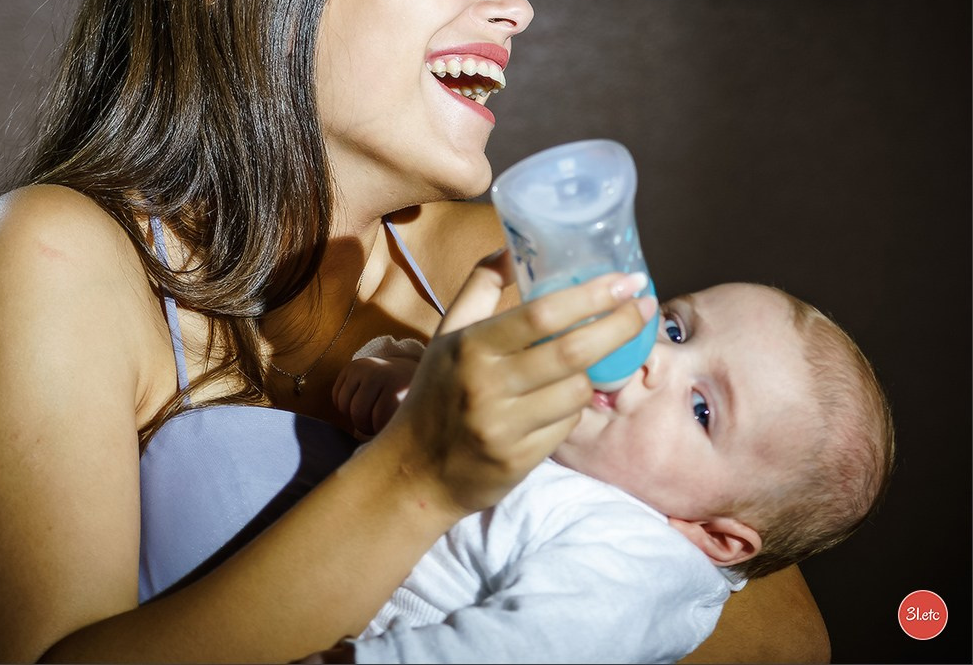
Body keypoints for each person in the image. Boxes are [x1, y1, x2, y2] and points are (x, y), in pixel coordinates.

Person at [0, 0, 828, 664]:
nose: (517, 6)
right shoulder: (58, 253)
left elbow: (777, 634)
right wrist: (422, 472)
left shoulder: (489, 253)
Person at [317, 282, 895, 664]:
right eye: (674, 329)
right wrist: (398, 371)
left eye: (702, 410)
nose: (652, 359)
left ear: (712, 534)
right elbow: (450, 386)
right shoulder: (568, 414)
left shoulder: (639, 560)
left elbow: (522, 650)